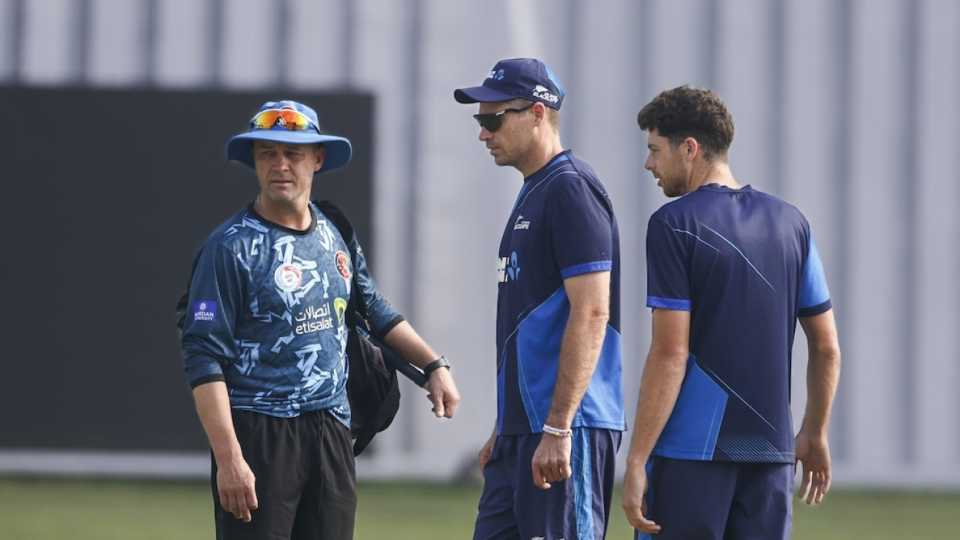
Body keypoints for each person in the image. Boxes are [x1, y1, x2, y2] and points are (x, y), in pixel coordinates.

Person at [179, 100, 461, 540]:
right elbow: (203, 358)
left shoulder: (334, 230)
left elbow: (371, 308)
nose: (281, 165)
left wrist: (433, 367)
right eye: (268, 154)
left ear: (317, 159)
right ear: (254, 162)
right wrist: (230, 460)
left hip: (332, 430)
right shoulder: (228, 249)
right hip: (260, 434)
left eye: (293, 153)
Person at [622, 86, 841, 539]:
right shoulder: (792, 224)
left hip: (690, 456)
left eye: (654, 150)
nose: (648, 165)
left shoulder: (673, 224)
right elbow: (827, 346)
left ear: (690, 149)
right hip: (770, 455)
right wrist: (814, 431)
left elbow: (669, 353)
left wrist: (638, 459)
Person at [454, 58, 625, 540]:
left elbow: (592, 312)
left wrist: (557, 427)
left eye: (492, 120)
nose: (483, 134)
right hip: (523, 431)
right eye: (479, 121)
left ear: (535, 113)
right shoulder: (535, 191)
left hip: (568, 427)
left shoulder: (570, 189)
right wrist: (505, 428)